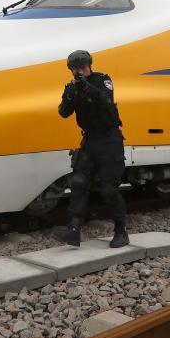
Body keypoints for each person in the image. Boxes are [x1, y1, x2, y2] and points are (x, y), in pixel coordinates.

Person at [53, 50, 129, 248]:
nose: (79, 72)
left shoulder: (102, 80)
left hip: (109, 139)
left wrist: (86, 87)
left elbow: (106, 102)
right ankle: (74, 231)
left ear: (90, 66)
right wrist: (71, 93)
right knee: (78, 182)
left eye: (83, 67)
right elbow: (63, 112)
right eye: (75, 69)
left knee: (109, 188)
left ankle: (121, 231)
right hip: (90, 140)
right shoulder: (72, 87)